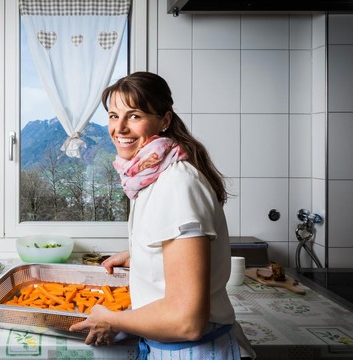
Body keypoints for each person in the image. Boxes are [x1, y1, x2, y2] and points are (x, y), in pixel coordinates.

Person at [69, 72, 255, 359]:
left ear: (164, 120)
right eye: (113, 116)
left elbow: (186, 322)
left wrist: (111, 319)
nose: (119, 128)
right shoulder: (150, 175)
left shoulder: (177, 185)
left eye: (134, 116)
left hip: (195, 351)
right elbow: (177, 244)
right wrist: (140, 253)